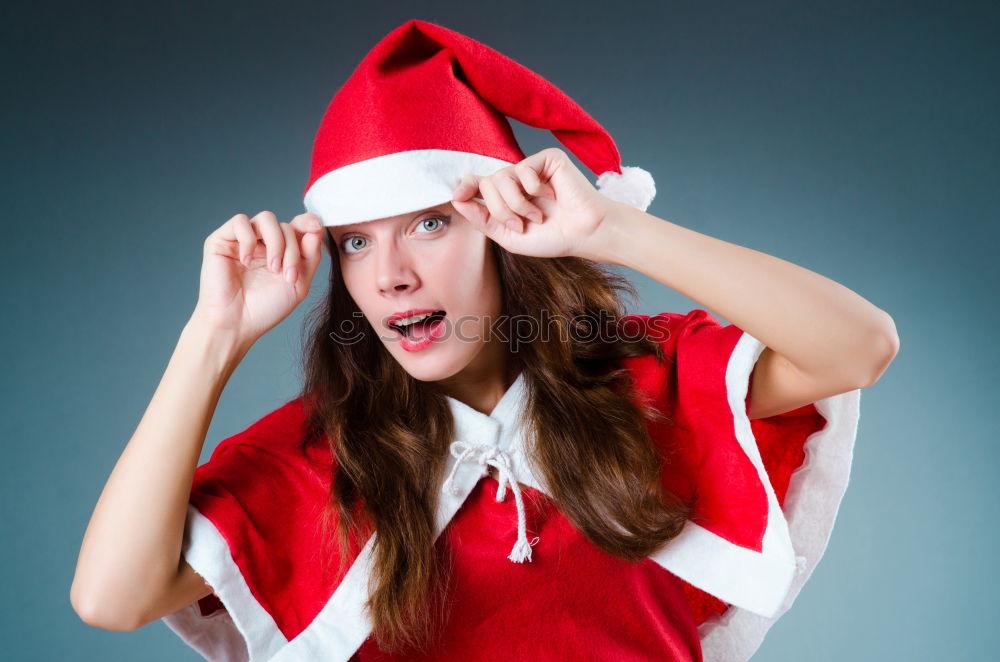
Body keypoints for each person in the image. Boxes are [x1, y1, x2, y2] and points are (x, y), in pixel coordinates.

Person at [71, 18, 899, 662]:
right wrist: (214, 335)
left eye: (429, 224)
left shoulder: (647, 380)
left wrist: (612, 229)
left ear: (504, 234)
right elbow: (111, 597)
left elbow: (859, 345)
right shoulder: (323, 458)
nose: (390, 274)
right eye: (357, 241)